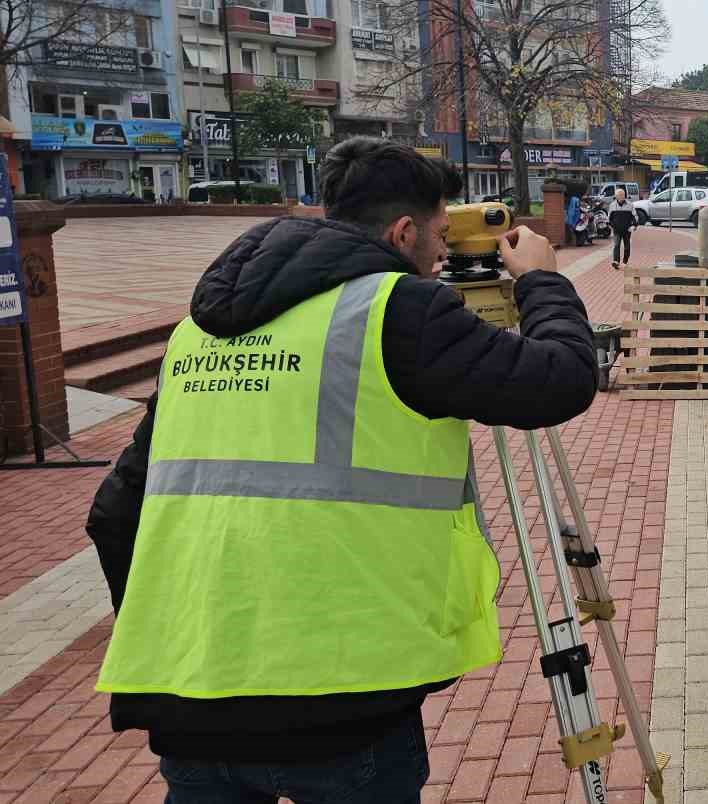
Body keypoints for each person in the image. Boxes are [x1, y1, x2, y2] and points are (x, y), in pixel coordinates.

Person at [86, 137, 596, 803]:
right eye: (440, 234)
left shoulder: (196, 330)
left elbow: (114, 512)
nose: (444, 253)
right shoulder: (397, 311)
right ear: (404, 230)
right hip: (340, 706)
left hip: (190, 696)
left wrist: (186, 635)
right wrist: (541, 281)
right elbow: (561, 380)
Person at [608, 185, 636, 269]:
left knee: (627, 247)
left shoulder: (630, 205)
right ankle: (616, 261)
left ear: (625, 196)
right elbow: (609, 218)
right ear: (616, 196)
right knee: (616, 245)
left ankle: (625, 261)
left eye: (622, 195)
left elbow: (635, 216)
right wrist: (611, 226)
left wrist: (634, 225)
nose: (621, 196)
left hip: (627, 229)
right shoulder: (612, 205)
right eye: (619, 195)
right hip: (617, 229)